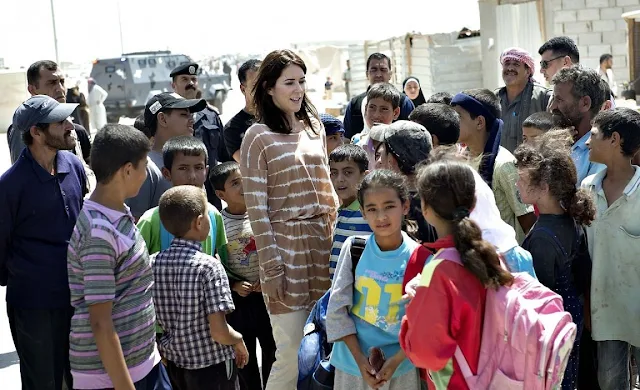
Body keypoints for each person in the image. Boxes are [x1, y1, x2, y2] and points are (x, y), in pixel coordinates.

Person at [239, 49, 339, 389]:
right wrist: (272, 267)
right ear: (268, 88)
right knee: (291, 350)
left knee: (325, 345)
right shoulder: (257, 136)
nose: (298, 90)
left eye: (301, 82)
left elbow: (328, 191)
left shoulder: (314, 127)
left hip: (322, 244)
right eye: (289, 83)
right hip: (284, 249)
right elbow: (257, 210)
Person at [67, 124, 170, 389]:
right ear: (127, 170)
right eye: (144, 165)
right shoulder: (99, 232)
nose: (147, 173)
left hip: (143, 364)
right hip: (113, 378)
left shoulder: (118, 214)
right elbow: (100, 322)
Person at [399, 160, 515, 389]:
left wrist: (412, 311)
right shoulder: (492, 257)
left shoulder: (438, 269)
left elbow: (425, 354)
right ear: (472, 203)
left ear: (425, 208)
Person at [0, 95, 86, 390]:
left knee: (79, 379)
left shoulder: (73, 166)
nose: (69, 125)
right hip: (34, 305)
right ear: (36, 132)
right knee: (43, 382)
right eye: (60, 122)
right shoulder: (10, 185)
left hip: (76, 298)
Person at [514, 130, 595, 390]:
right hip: (571, 317)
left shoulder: (542, 238)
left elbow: (540, 294)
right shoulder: (570, 219)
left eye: (522, 180)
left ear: (543, 188)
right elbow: (583, 275)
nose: (517, 184)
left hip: (551, 325)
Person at [327, 170, 421, 390]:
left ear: (405, 206)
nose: (381, 217)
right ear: (363, 212)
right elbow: (337, 310)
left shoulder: (420, 258)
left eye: (389, 206)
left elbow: (422, 323)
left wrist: (396, 361)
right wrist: (360, 361)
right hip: (352, 365)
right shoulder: (354, 249)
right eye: (372, 209)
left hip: (401, 368)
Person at [152, 185, 249, 390]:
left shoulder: (152, 263)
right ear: (198, 222)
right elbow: (219, 331)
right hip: (212, 368)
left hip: (175, 366)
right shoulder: (209, 267)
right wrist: (238, 340)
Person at [581, 108, 640, 390]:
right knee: (610, 382)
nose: (588, 142)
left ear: (614, 139)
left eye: (593, 135)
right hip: (605, 308)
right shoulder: (588, 189)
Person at [211, 161, 277, 390]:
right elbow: (216, 263)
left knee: (272, 348)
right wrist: (234, 285)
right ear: (221, 194)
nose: (244, 186)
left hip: (266, 296)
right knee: (244, 353)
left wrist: (267, 278)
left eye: (245, 179)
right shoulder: (218, 223)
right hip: (237, 300)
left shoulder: (261, 214)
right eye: (235, 183)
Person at [451, 89, 537, 242]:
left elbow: (528, 221)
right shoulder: (461, 160)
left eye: (458, 116)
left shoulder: (503, 165)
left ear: (479, 122)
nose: (452, 122)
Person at [136, 136, 227, 258]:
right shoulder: (151, 220)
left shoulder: (213, 216)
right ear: (167, 173)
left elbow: (220, 257)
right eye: (183, 168)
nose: (192, 176)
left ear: (206, 172)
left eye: (198, 168)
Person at [125, 92, 206, 219]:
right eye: (184, 114)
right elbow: (136, 224)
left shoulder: (193, 163)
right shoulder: (146, 168)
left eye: (191, 115)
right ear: (162, 119)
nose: (191, 120)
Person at [170, 62, 231, 210]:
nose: (190, 83)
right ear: (173, 85)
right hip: (177, 198)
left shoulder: (211, 116)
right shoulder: (166, 118)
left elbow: (224, 156)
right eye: (184, 79)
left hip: (210, 199)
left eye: (193, 79)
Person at [8, 60, 91, 164]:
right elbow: (22, 174)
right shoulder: (24, 127)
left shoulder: (73, 127)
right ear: (32, 90)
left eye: (62, 82)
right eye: (52, 83)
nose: (60, 89)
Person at [374, 120, 437, 244]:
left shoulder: (393, 210)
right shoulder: (439, 200)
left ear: (391, 162)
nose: (379, 161)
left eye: (382, 156)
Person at [550, 66, 607, 185]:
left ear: (585, 103)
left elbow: (588, 200)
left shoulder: (602, 151)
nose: (552, 107)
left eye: (559, 100)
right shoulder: (557, 141)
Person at [343, 53, 415, 139]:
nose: (378, 74)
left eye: (383, 70)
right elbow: (346, 139)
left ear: (390, 74)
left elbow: (413, 137)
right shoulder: (355, 104)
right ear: (367, 74)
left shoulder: (403, 102)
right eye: (374, 70)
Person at [328, 144, 372, 279]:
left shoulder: (367, 214)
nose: (339, 179)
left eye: (348, 172)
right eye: (334, 173)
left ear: (364, 176)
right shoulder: (341, 211)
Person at [495, 47, 552, 152]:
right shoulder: (494, 98)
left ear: (528, 71)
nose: (510, 68)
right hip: (500, 167)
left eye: (516, 64)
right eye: (507, 64)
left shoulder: (544, 97)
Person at [352, 83, 402, 170]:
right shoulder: (358, 148)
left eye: (384, 109)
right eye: (372, 107)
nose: (376, 115)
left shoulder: (401, 149)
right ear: (365, 109)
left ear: (396, 113)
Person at [223, 59, 261, 162]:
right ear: (243, 89)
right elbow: (250, 164)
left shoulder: (282, 116)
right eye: (255, 85)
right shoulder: (232, 129)